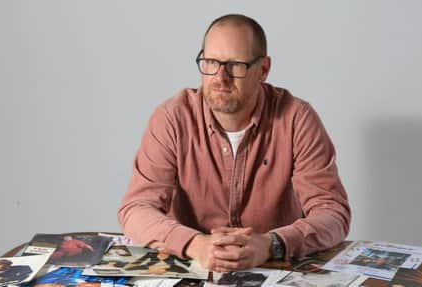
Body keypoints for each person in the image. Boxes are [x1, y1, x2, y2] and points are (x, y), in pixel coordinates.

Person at [118, 14, 351, 272]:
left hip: (272, 268)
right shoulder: (172, 118)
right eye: (210, 62)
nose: (220, 77)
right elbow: (136, 209)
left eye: (235, 65)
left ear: (263, 69)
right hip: (194, 267)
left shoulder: (297, 119)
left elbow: (332, 213)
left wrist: (270, 244)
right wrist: (196, 244)